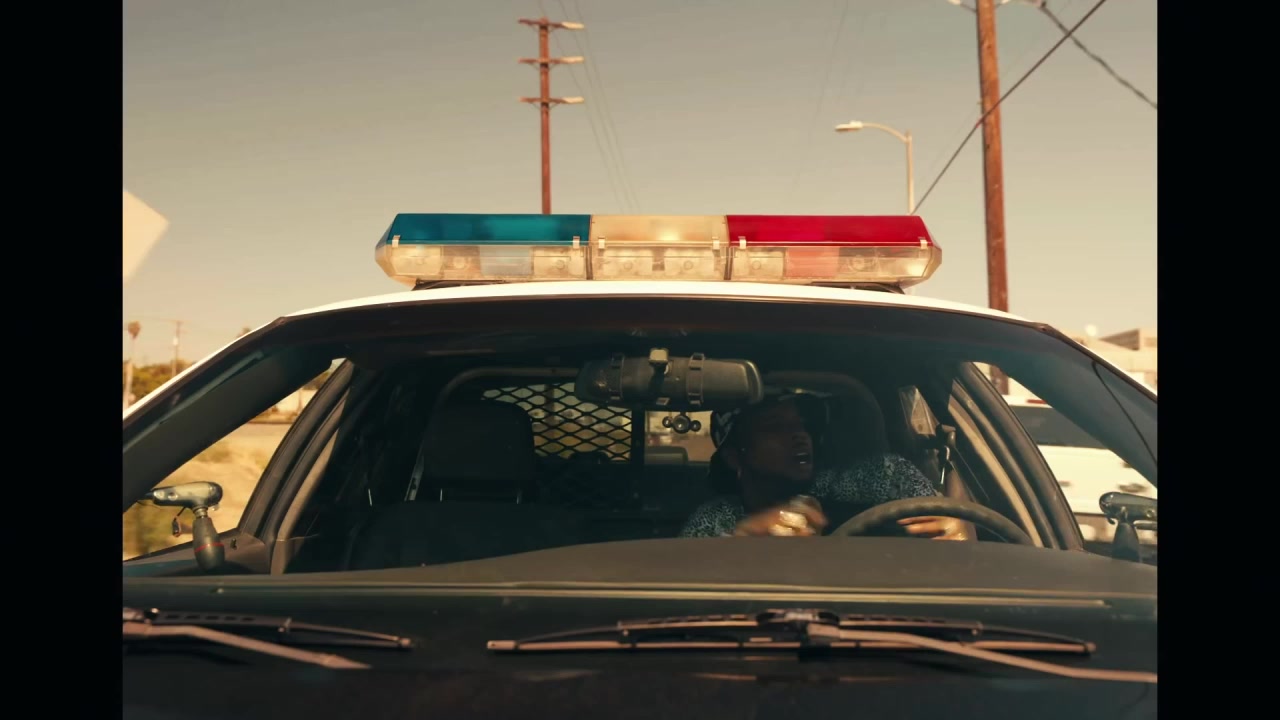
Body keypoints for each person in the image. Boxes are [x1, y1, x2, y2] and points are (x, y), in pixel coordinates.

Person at [678, 394, 969, 540]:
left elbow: (936, 514)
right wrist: (742, 542)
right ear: (734, 457)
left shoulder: (878, 477)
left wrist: (953, 528)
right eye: (776, 427)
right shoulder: (717, 519)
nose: (800, 435)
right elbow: (687, 580)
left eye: (802, 425)